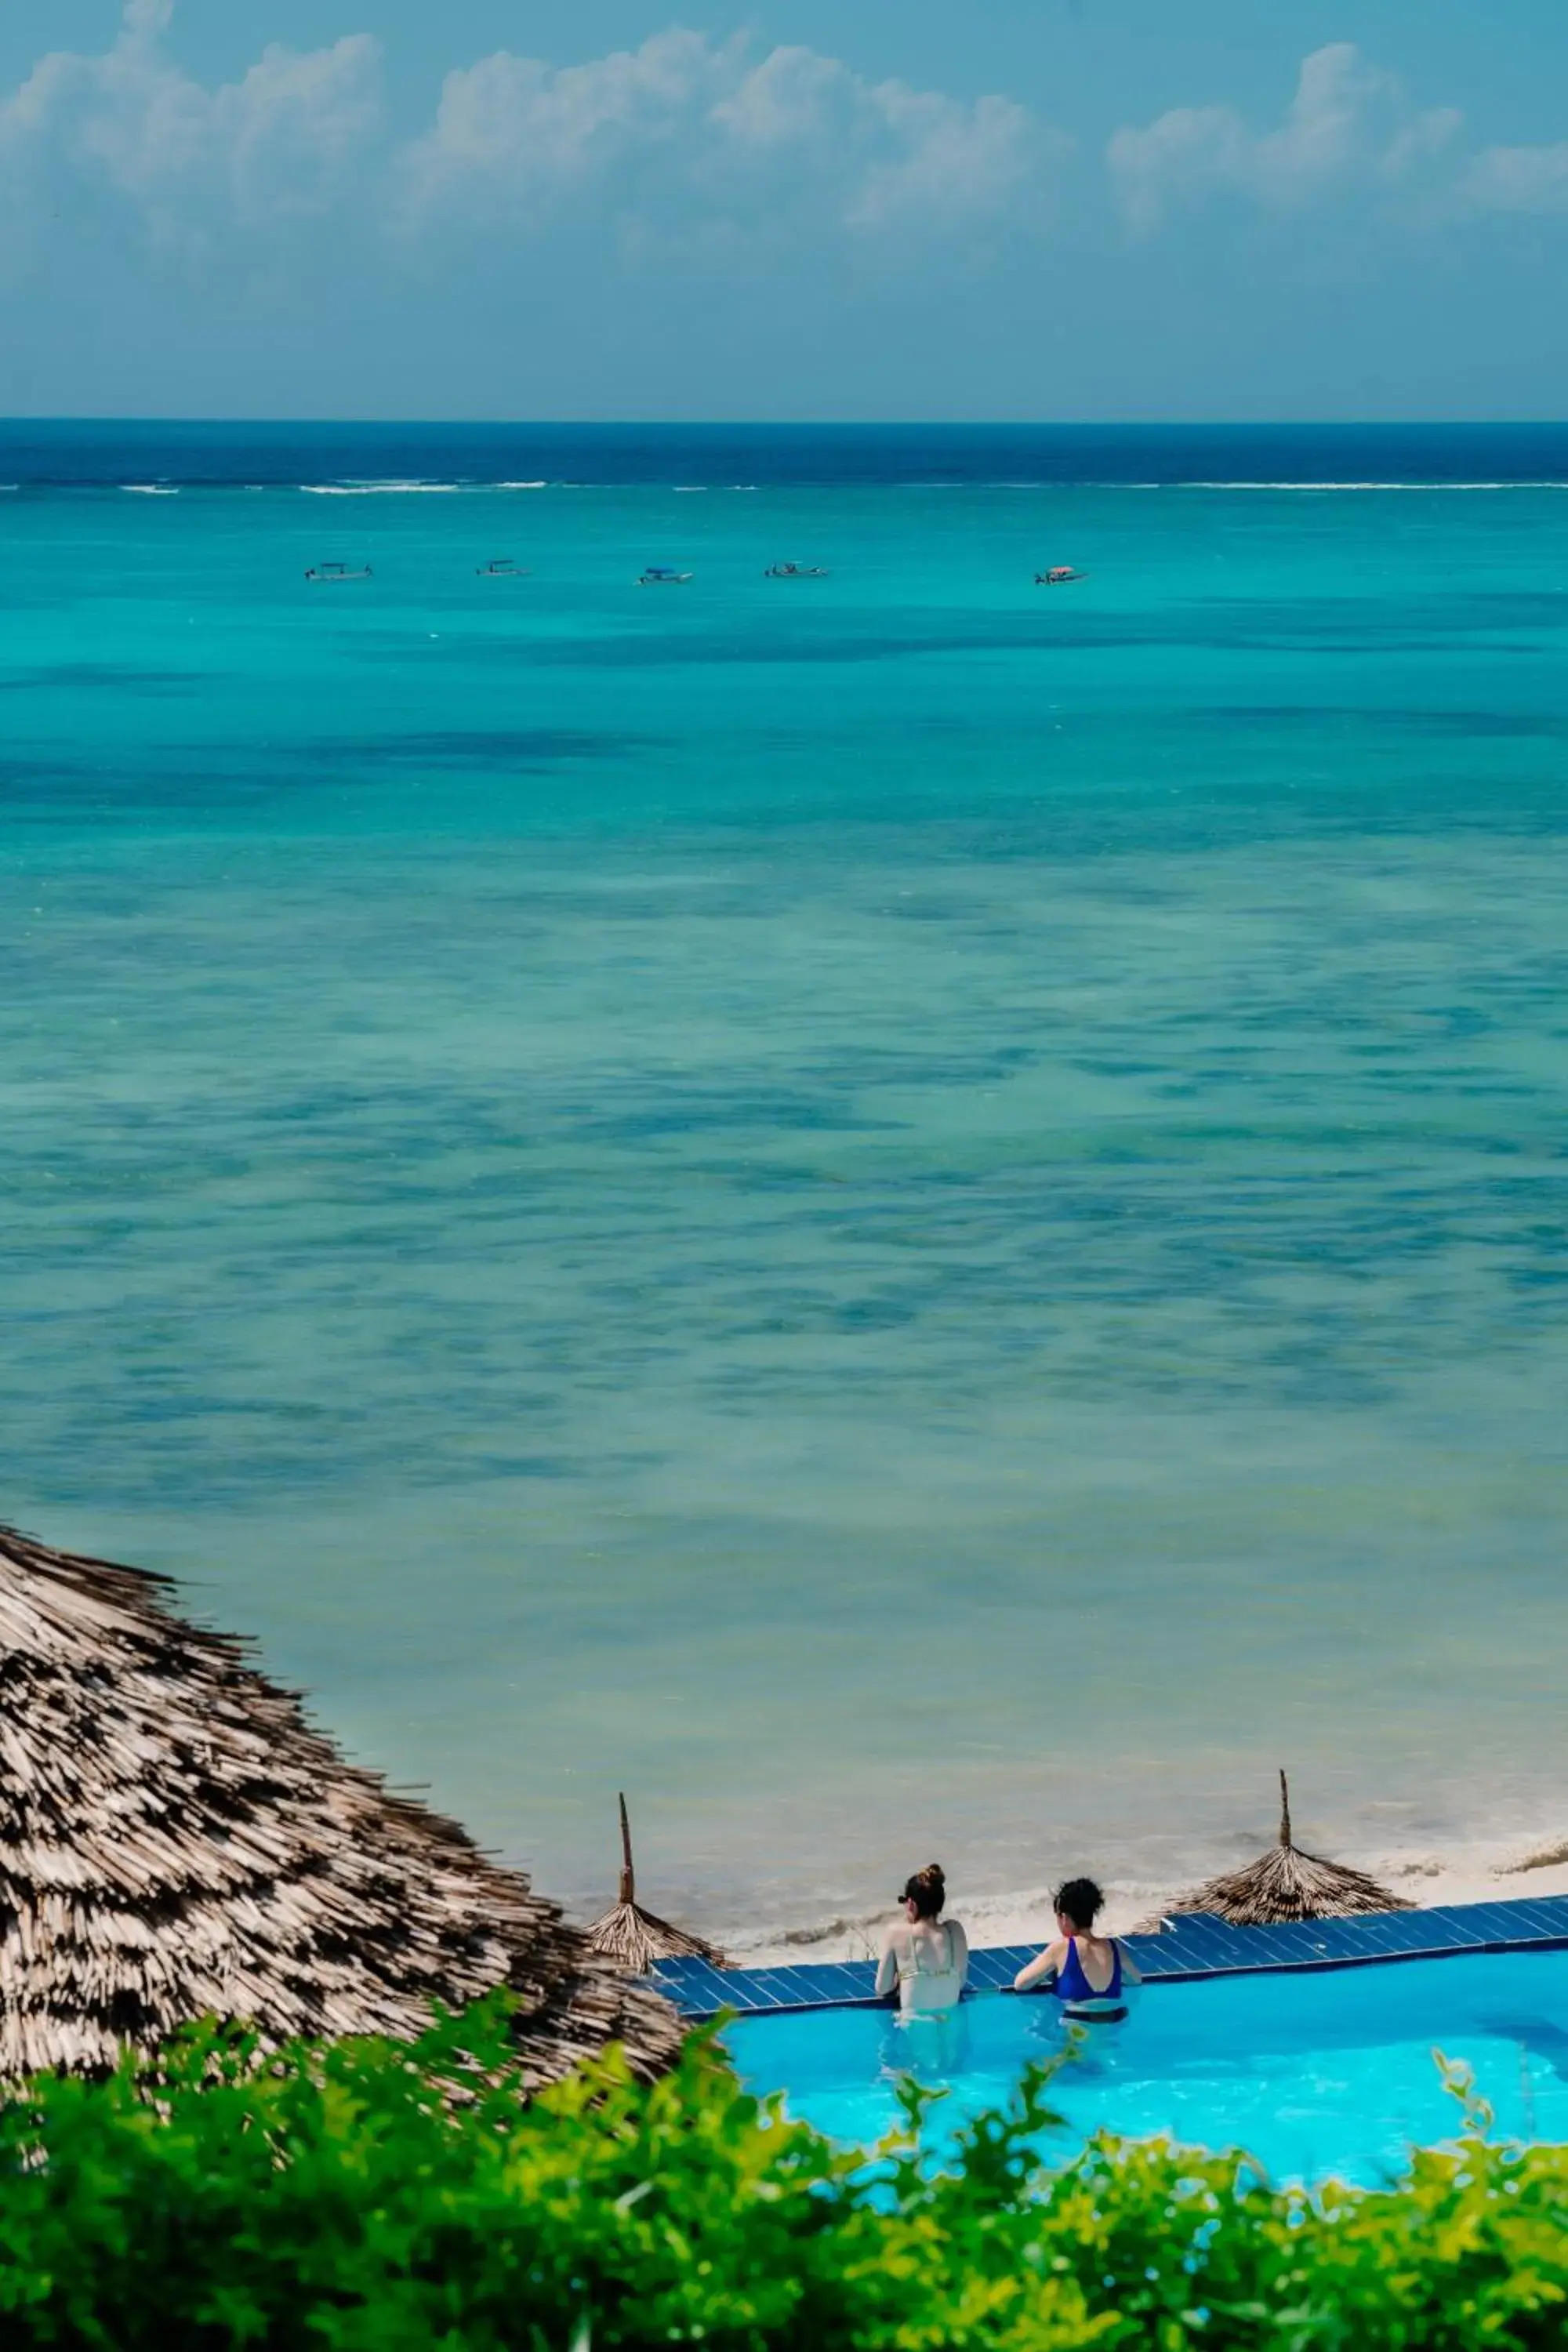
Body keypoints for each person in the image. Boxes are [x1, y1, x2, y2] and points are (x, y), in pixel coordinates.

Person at [1012, 1877, 1140, 2022]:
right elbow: (1135, 1980)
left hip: (1076, 2027)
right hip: (1114, 2021)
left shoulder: (1061, 1948)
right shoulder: (1114, 1947)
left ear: (1064, 1918)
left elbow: (1020, 1984)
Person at [875, 1863, 969, 2018]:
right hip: (951, 2024)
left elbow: (882, 1988)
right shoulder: (955, 1932)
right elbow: (961, 1982)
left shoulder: (896, 1933)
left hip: (914, 2028)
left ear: (911, 1904)